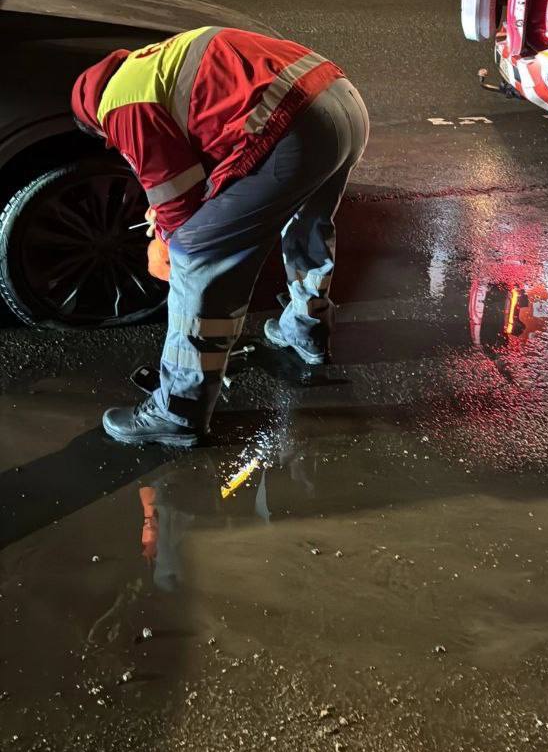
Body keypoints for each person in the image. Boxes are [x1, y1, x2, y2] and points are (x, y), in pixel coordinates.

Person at [71, 26, 369, 448]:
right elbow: (215, 143)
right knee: (307, 224)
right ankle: (307, 330)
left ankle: (178, 410)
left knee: (198, 253)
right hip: (341, 102)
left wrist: (164, 242)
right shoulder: (151, 64)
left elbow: (179, 206)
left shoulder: (120, 108)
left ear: (93, 118)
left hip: (295, 132)